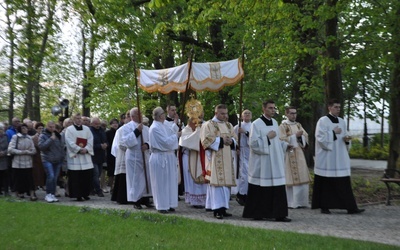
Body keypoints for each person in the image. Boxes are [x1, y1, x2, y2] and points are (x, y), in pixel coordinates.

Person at [312, 99, 365, 214]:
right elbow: (320, 138)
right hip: (328, 158)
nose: (338, 109)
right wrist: (333, 133)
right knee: (327, 182)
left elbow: (346, 134)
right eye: (336, 107)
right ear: (329, 107)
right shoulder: (323, 121)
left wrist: (347, 139)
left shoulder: (341, 121)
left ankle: (351, 207)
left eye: (339, 107)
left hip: (340, 156)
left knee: (343, 182)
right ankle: (324, 206)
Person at [242, 100, 291, 222]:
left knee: (277, 187)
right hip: (262, 163)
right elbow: (253, 144)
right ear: (263, 109)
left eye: (274, 108)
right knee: (261, 187)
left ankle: (279, 214)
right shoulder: (256, 124)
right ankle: (258, 213)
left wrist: (284, 145)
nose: (273, 110)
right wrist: (267, 138)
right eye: (270, 108)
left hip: (275, 161)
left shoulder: (275, 122)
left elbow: (276, 141)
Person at [200, 104, 237, 219]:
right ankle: (217, 209)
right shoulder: (208, 125)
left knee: (225, 186)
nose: (225, 116)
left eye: (226, 113)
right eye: (222, 113)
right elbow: (205, 141)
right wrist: (221, 140)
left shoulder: (229, 125)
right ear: (216, 113)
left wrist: (232, 141)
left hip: (227, 157)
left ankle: (224, 208)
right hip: (215, 158)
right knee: (217, 185)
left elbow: (235, 139)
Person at [149, 107, 180, 214]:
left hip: (169, 156)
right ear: (160, 116)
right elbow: (165, 142)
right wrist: (176, 136)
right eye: (163, 113)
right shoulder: (154, 128)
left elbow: (171, 130)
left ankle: (170, 203)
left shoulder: (163, 124)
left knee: (170, 181)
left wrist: (176, 127)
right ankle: (161, 205)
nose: (165, 115)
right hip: (160, 156)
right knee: (161, 182)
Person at [279, 106, 311, 208]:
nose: (294, 115)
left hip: (299, 153)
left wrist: (301, 137)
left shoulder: (298, 125)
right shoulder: (283, 126)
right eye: (292, 113)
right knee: (290, 178)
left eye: (295, 113)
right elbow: (280, 140)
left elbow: (305, 136)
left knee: (302, 175)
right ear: (287, 114)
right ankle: (292, 202)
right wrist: (294, 137)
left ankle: (302, 202)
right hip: (289, 153)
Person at [121, 108, 153, 209]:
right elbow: (126, 142)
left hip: (144, 155)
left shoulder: (146, 128)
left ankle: (146, 199)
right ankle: (136, 200)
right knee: (135, 178)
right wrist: (136, 132)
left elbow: (151, 140)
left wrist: (147, 145)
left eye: (141, 113)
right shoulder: (126, 127)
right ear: (132, 116)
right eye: (138, 114)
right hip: (133, 156)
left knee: (146, 177)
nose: (141, 115)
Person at [65, 113, 94, 201]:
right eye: (77, 118)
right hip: (76, 156)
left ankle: (85, 194)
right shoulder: (69, 130)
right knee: (76, 177)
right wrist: (78, 149)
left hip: (85, 155)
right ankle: (77, 195)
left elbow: (90, 139)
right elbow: (69, 142)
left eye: (80, 118)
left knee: (86, 176)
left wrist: (86, 149)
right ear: (73, 119)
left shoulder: (87, 129)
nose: (78, 120)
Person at [179, 117, 207, 208]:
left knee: (201, 177)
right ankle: (195, 201)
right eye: (195, 122)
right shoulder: (185, 130)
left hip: (200, 157)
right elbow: (187, 141)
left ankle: (203, 200)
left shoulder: (200, 129)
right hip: (189, 157)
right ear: (190, 122)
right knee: (192, 179)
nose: (196, 124)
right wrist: (199, 131)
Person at [8, 123, 37, 201]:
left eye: (26, 128)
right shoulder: (15, 137)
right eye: (23, 128)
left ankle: (32, 194)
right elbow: (10, 149)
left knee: (29, 179)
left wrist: (28, 152)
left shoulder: (29, 138)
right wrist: (21, 152)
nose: (25, 129)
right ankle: (17, 194)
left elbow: (34, 150)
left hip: (28, 163)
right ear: (20, 129)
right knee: (18, 179)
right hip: (17, 163)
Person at [38, 121, 65, 203]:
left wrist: (62, 157)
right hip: (47, 159)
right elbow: (41, 147)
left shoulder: (58, 135)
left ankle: (52, 194)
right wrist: (50, 139)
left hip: (57, 160)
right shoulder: (43, 135)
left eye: (53, 127)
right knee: (51, 176)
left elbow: (61, 147)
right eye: (50, 127)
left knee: (55, 178)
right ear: (47, 126)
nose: (52, 128)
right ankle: (48, 194)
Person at [111, 111, 131, 204]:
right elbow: (117, 145)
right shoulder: (121, 130)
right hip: (123, 156)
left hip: (133, 157)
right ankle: (122, 197)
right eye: (129, 117)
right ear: (125, 119)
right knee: (123, 177)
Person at [233, 109, 252, 206]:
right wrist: (236, 148)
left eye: (249, 113)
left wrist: (246, 132)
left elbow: (255, 137)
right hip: (242, 151)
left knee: (250, 173)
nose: (247, 115)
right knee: (243, 173)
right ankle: (241, 194)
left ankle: (249, 194)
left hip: (252, 151)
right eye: (245, 113)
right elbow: (234, 138)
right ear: (241, 116)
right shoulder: (238, 126)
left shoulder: (254, 126)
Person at [89, 117, 107, 197]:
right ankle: (98, 190)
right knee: (95, 174)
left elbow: (106, 140)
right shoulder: (89, 131)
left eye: (98, 123)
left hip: (101, 156)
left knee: (99, 173)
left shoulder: (101, 131)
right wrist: (99, 146)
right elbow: (90, 144)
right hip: (93, 156)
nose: (98, 125)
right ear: (92, 124)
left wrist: (106, 145)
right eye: (96, 124)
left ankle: (92, 188)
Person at [105, 118, 119, 193]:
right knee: (111, 172)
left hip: (118, 154)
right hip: (110, 154)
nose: (115, 124)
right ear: (110, 125)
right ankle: (110, 187)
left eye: (116, 123)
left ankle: (116, 187)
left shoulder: (119, 131)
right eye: (113, 123)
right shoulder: (107, 133)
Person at [0, 123, 10, 196]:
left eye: (1, 129)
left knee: (5, 176)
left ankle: (6, 191)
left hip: (4, 158)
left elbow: (9, 146)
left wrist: (4, 152)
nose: (1, 131)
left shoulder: (6, 136)